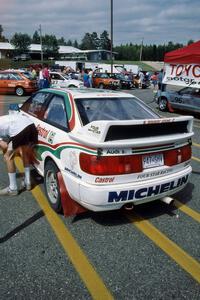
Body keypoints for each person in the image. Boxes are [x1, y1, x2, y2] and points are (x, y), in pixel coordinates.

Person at [0, 111, 38, 196]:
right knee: (24, 152)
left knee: (8, 157)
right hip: (30, 125)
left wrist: (6, 153)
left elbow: (4, 145)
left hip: (19, 129)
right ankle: (27, 183)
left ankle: (13, 188)